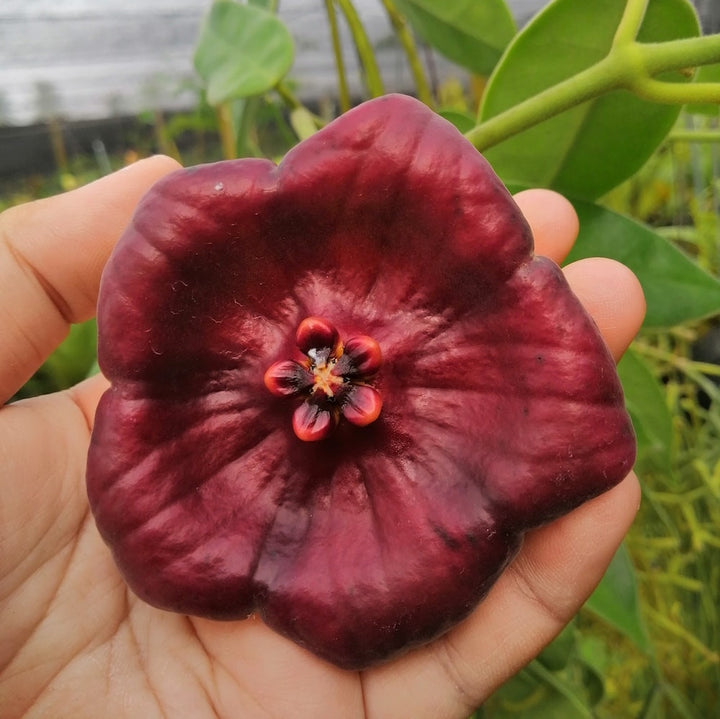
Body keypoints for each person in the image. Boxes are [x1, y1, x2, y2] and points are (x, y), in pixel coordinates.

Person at [0, 156, 645, 718]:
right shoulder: (381, 176)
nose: (327, 378)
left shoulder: (390, 177)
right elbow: (157, 525)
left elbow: (575, 415)